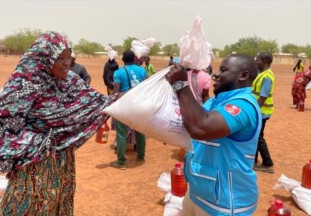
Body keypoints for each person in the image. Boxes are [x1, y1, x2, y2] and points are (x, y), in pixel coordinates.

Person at [0, 32, 118, 215]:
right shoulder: (25, 83)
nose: (67, 62)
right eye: (60, 57)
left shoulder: (71, 82)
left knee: (58, 204)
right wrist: (35, 143)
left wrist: (151, 89)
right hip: (34, 164)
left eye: (68, 57)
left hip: (63, 163)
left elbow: (100, 103)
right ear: (44, 58)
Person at [166, 54, 262, 215]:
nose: (215, 74)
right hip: (197, 194)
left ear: (243, 75)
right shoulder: (215, 102)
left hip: (224, 204)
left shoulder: (244, 105)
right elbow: (191, 121)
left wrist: (181, 84)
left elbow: (200, 127)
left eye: (223, 70)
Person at [110, 50, 147, 170]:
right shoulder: (142, 70)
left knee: (121, 134)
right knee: (140, 132)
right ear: (135, 59)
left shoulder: (118, 73)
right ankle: (141, 157)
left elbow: (116, 91)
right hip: (139, 105)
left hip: (124, 105)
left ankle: (121, 162)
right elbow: (148, 84)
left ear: (123, 60)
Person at [252, 52, 275, 173]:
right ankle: (253, 161)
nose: (256, 62)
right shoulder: (261, 73)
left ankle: (267, 163)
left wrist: (253, 110)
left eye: (258, 60)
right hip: (260, 110)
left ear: (264, 62)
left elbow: (263, 97)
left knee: (259, 137)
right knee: (255, 135)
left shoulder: (266, 77)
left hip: (262, 111)